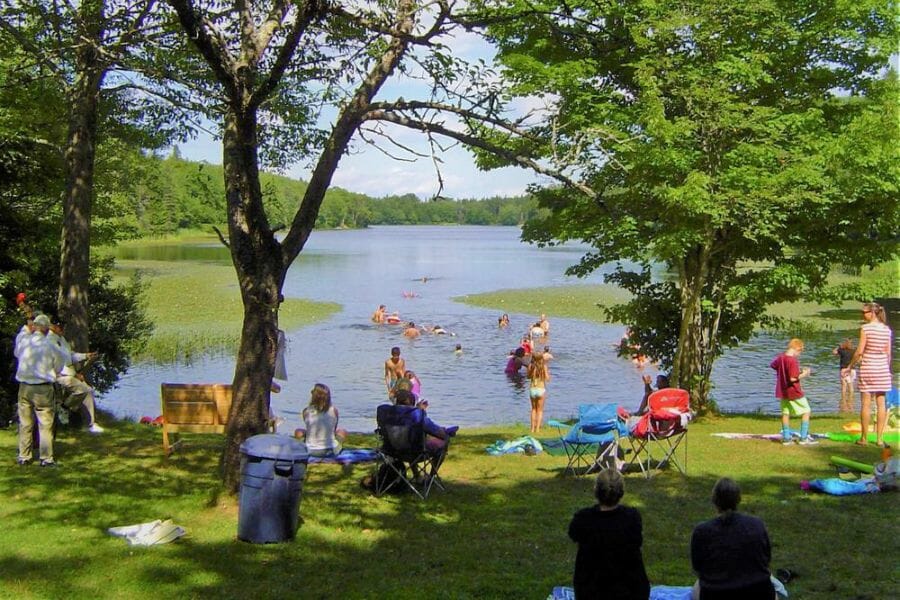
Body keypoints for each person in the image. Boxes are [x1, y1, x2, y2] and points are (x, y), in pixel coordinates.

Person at [568, 468, 650, 600]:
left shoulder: (583, 519)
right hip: (630, 590)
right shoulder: (632, 518)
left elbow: (573, 534)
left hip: (591, 591)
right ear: (621, 492)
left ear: (596, 490)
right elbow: (637, 541)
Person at [690, 478, 776, 600]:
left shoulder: (702, 531)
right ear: (738, 499)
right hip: (758, 592)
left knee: (697, 585)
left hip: (716, 594)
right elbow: (766, 559)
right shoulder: (757, 524)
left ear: (714, 500)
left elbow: (698, 567)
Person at [14, 314, 70, 467]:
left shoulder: (25, 341)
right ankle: (46, 458)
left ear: (34, 327)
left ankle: (24, 456)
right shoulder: (50, 345)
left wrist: (26, 326)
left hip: (24, 386)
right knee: (45, 423)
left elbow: (17, 351)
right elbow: (59, 365)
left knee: (25, 422)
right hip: (43, 387)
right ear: (46, 329)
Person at [842, 302, 893, 447]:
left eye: (864, 313)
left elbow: (859, 351)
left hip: (869, 367)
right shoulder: (887, 330)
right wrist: (887, 369)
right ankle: (879, 439)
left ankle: (864, 438)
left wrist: (850, 366)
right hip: (883, 368)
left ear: (872, 313)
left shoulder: (866, 329)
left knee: (866, 403)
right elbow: (888, 353)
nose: (862, 315)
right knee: (881, 403)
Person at [48, 318, 103, 433]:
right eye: (59, 326)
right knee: (82, 389)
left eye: (63, 326)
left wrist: (86, 356)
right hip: (58, 375)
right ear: (52, 326)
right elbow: (57, 363)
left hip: (68, 373)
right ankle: (64, 408)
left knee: (88, 390)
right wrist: (75, 375)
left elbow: (70, 356)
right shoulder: (49, 340)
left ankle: (90, 424)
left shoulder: (61, 339)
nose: (62, 329)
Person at [770, 338, 817, 445]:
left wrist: (784, 373)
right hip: (793, 391)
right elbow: (792, 378)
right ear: (796, 348)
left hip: (782, 390)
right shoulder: (792, 361)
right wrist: (804, 374)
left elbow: (773, 365)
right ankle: (803, 437)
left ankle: (786, 438)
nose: (799, 354)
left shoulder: (781, 357)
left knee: (785, 413)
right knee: (806, 410)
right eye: (800, 351)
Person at [294, 383, 347, 457]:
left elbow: (309, 428)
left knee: (298, 431)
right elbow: (333, 430)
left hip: (310, 450)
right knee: (342, 431)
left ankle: (301, 448)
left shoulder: (306, 411)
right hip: (330, 450)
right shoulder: (334, 411)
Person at [527, 351, 550, 433]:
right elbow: (547, 379)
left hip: (532, 389)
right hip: (541, 389)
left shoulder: (530, 366)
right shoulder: (544, 366)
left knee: (533, 409)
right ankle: (537, 429)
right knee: (540, 410)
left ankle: (532, 429)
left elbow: (528, 376)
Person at [832, 338, 856, 413]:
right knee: (851, 386)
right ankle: (851, 403)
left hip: (844, 370)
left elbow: (834, 352)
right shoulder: (853, 351)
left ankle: (843, 402)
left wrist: (838, 347)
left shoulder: (841, 350)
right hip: (852, 370)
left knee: (844, 387)